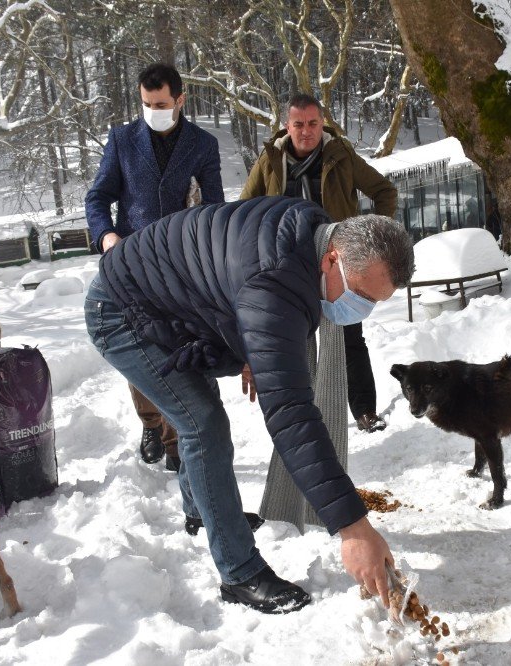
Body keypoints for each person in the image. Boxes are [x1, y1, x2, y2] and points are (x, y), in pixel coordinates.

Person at [84, 196, 415, 613]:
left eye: (375, 303)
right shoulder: (275, 283)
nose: (362, 311)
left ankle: (202, 510)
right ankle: (239, 573)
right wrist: (353, 528)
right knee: (202, 424)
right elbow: (292, 417)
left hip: (166, 298)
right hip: (121, 312)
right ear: (332, 259)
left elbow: (231, 283)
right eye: (362, 296)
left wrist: (252, 347)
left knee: (199, 413)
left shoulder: (308, 236)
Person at [85, 62, 224, 471]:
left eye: (161, 104)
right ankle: (151, 423)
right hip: (131, 263)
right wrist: (107, 236)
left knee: (179, 343)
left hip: (182, 264)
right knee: (142, 344)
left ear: (180, 100)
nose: (152, 111)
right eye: (146, 104)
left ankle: (180, 438)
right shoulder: (122, 140)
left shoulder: (202, 144)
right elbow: (97, 197)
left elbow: (215, 207)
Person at [240, 94, 397, 433]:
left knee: (349, 337)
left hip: (339, 262)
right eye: (298, 124)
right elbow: (241, 211)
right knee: (296, 342)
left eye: (313, 123)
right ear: (287, 126)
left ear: (321, 123)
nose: (306, 131)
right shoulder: (270, 159)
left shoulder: (340, 155)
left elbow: (385, 191)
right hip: (288, 266)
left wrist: (373, 239)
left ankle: (365, 411)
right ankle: (306, 417)